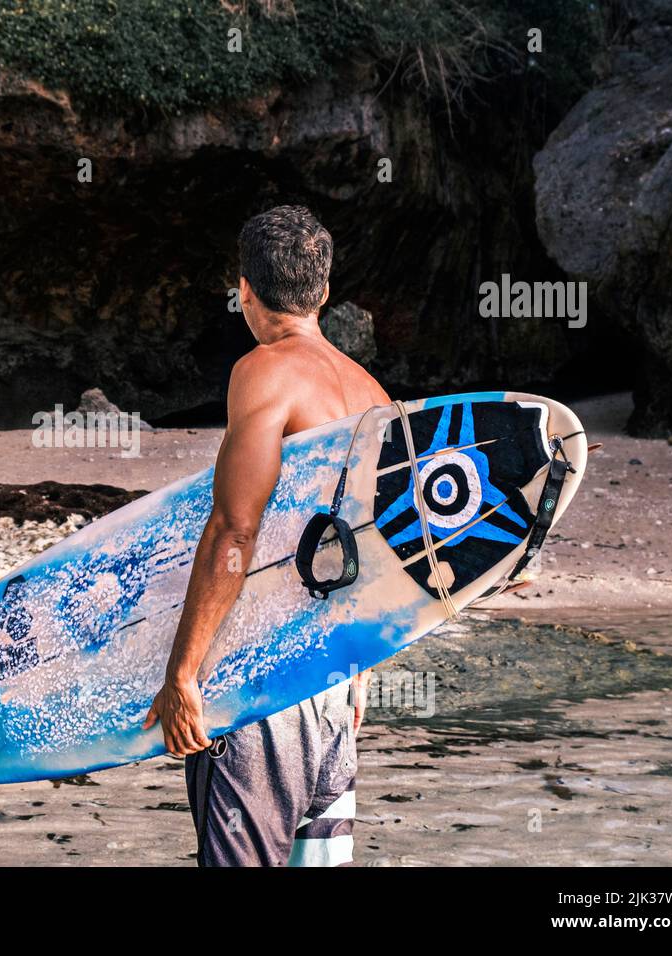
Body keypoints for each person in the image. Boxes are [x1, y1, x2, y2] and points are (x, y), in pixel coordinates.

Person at [143, 205, 389, 867]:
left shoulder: (264, 370)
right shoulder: (372, 394)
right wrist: (360, 667)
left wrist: (183, 673)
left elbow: (234, 529)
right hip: (335, 687)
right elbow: (372, 546)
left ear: (245, 290)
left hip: (264, 687)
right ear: (325, 292)